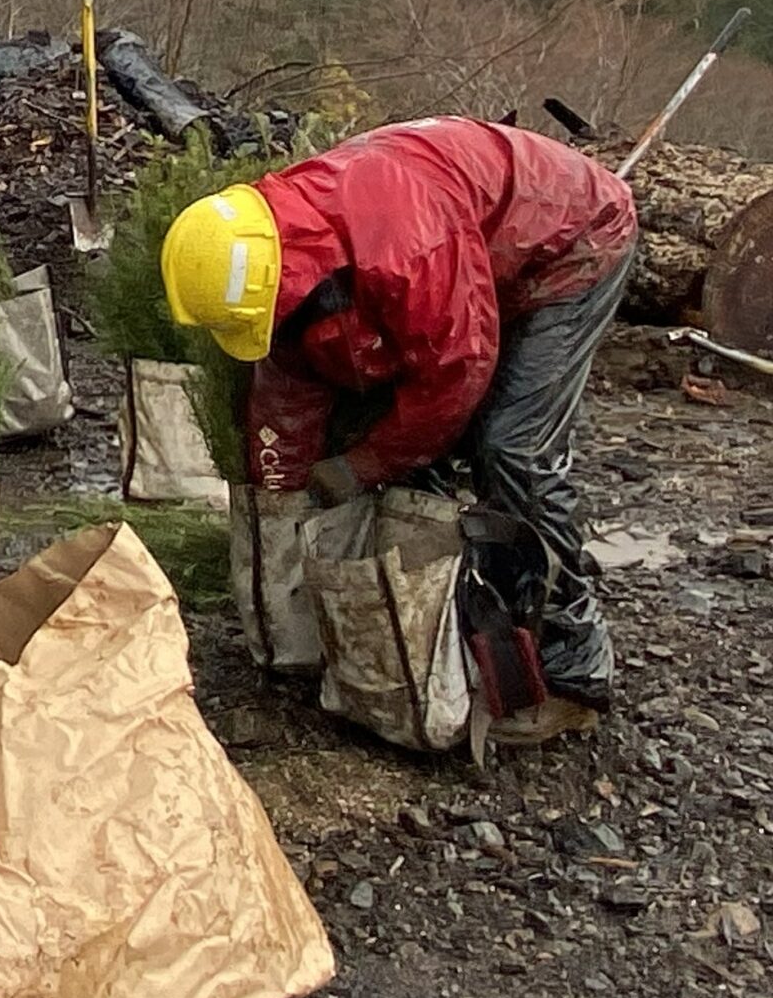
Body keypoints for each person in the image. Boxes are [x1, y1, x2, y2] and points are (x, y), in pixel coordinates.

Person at [161, 118, 638, 743]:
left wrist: (361, 466)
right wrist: (280, 496)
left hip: (572, 243)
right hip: (475, 249)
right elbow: (289, 386)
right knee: (420, 456)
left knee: (512, 448)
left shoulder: (406, 250)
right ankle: (447, 631)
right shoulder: (283, 255)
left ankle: (575, 673)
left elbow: (455, 377)